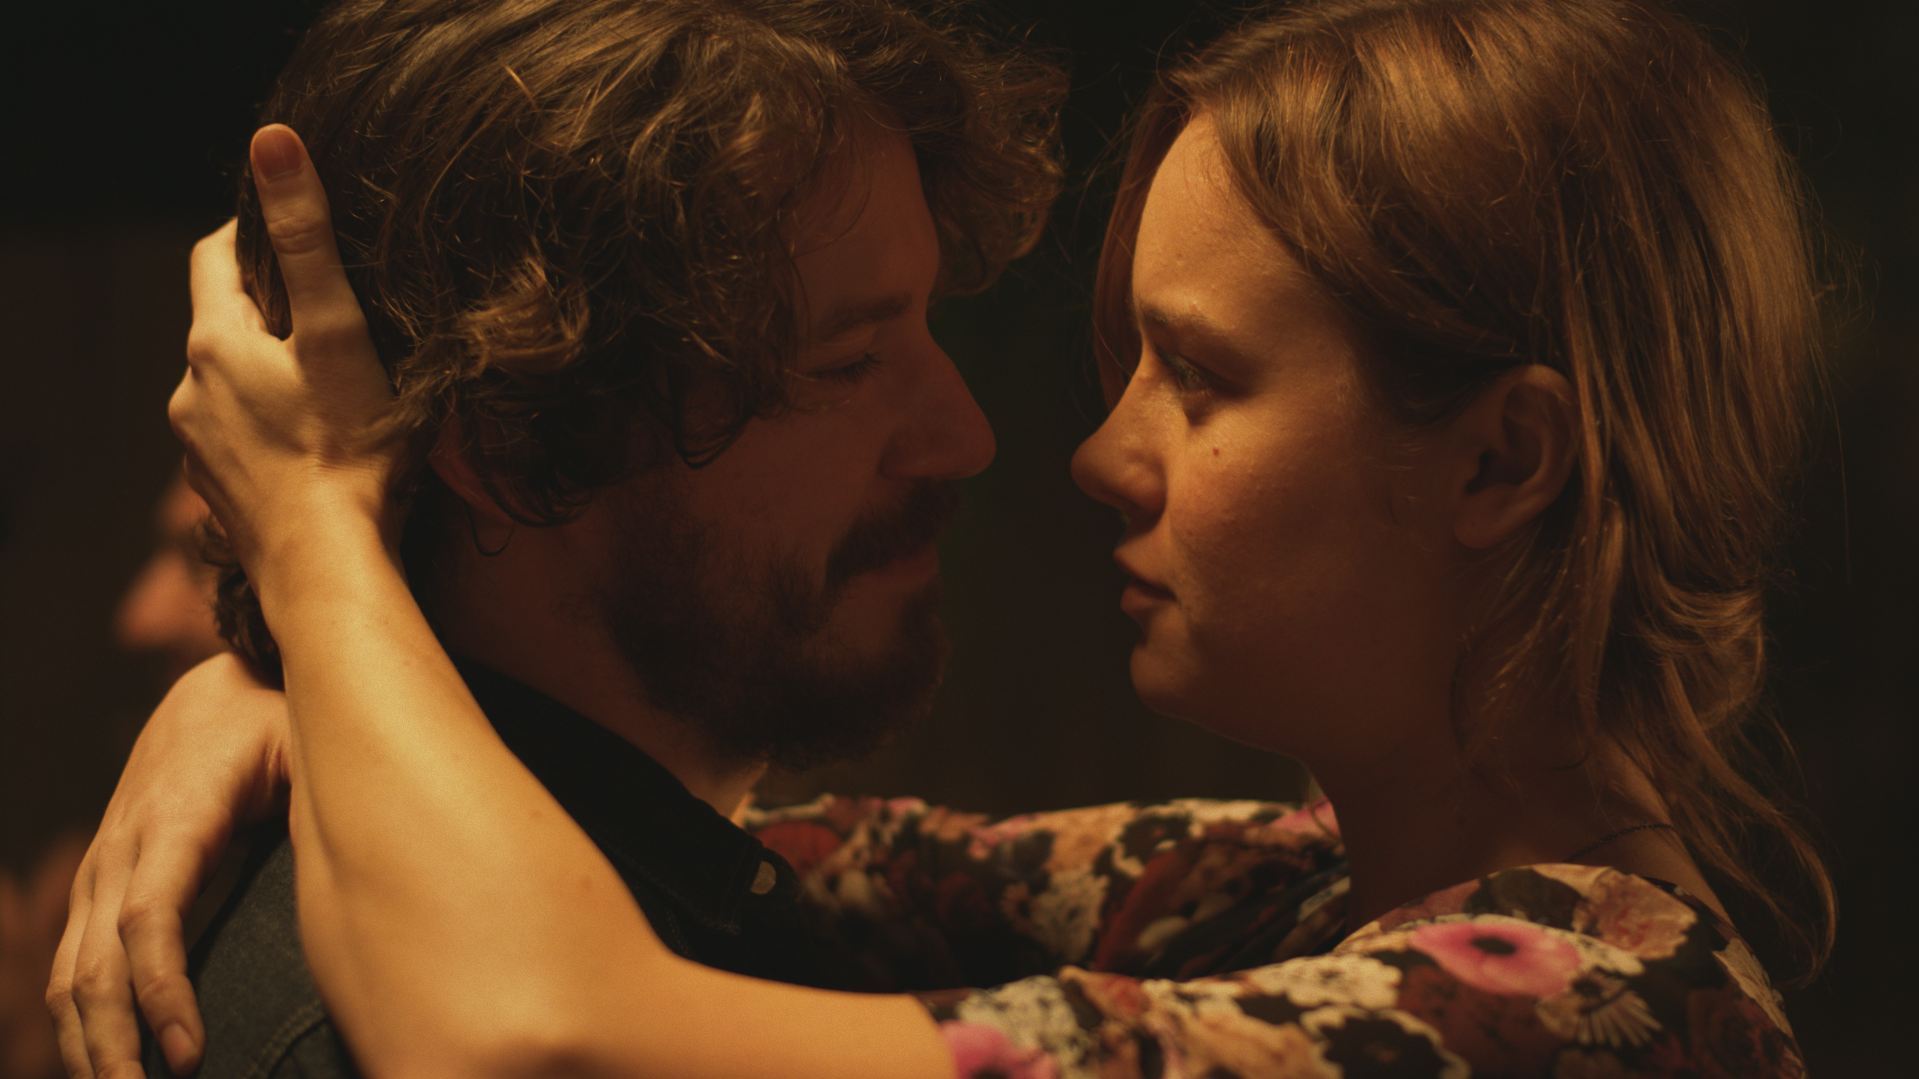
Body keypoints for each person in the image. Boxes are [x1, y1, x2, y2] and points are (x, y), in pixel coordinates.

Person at [57, 0, 1833, 1075]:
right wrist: (259, 691)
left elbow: (535, 1026)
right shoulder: (1262, 884)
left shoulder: (1584, 1010)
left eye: (1198, 375)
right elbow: (669, 839)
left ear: (1498, 459)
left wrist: (319, 542)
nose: (1083, 453)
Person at [47, 1, 1074, 1076]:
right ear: (514, 450)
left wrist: (293, 631)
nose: (965, 436)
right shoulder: (328, 1032)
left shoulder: (743, 905)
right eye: (846, 363)